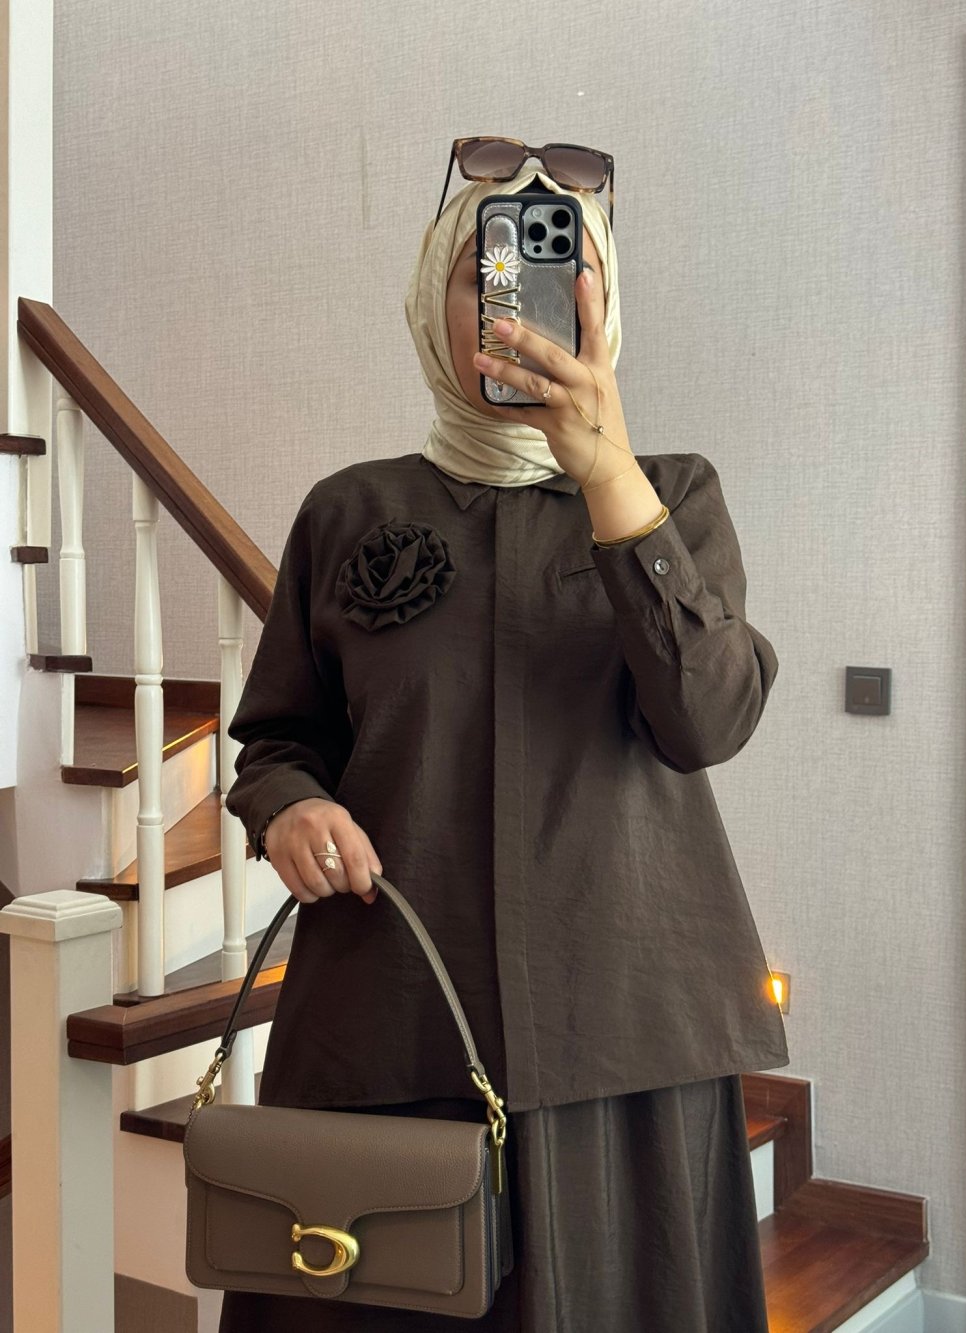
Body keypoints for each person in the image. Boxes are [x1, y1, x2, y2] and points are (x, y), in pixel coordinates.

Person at [217, 146, 788, 1333]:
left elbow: (708, 720)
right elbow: (276, 739)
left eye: (559, 271)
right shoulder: (351, 510)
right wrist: (289, 806)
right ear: (434, 301)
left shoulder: (674, 494)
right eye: (484, 273)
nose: (517, 304)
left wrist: (607, 474)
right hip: (389, 1029)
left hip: (621, 1041)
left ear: (601, 304)